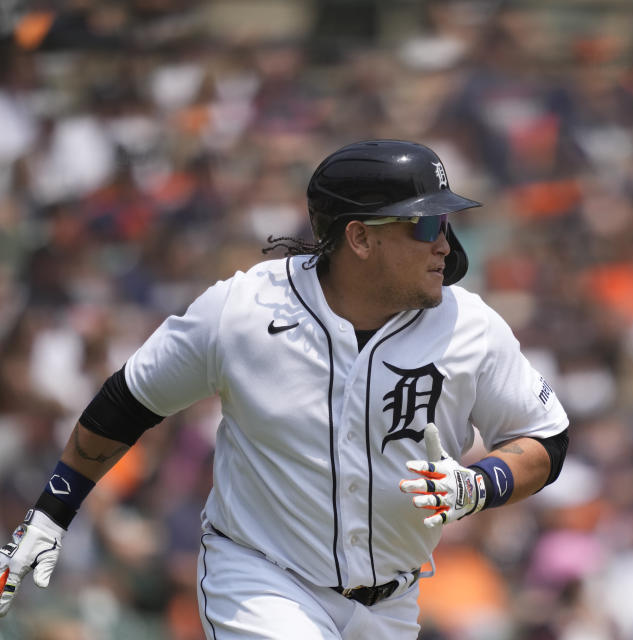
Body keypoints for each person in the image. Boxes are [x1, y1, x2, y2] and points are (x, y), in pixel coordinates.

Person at [0, 140, 570, 638]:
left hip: (393, 604)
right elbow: (126, 404)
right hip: (260, 579)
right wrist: (51, 513)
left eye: (446, 223)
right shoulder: (244, 311)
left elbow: (545, 438)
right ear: (360, 238)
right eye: (423, 224)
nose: (443, 243)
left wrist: (480, 484)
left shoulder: (470, 327)